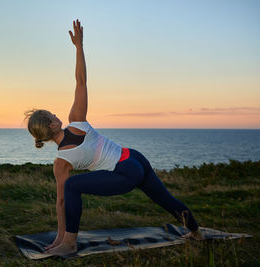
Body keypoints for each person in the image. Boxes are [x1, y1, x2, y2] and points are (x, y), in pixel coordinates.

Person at [24, 19, 203, 256]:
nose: (55, 114)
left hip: (126, 170)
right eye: (50, 115)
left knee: (73, 185)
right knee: (163, 198)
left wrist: (79, 47)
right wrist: (79, 46)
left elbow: (61, 203)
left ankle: (70, 243)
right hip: (133, 159)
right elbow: (80, 82)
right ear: (50, 124)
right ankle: (196, 232)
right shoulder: (73, 132)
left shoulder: (65, 152)